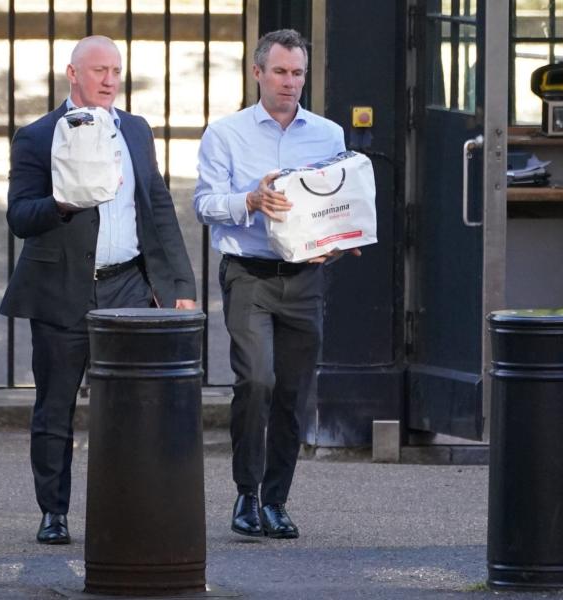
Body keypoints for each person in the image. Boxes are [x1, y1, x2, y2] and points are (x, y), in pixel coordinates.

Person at [0, 35, 197, 545]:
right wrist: (62, 205)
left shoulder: (135, 130)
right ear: (72, 74)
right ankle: (54, 512)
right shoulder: (37, 136)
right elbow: (20, 217)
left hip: (128, 286)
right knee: (55, 405)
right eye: (98, 71)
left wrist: (179, 284)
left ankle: (134, 507)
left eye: (116, 71)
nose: (110, 81)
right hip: (64, 290)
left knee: (137, 408)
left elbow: (157, 208)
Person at [194, 29, 359, 539]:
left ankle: (276, 501)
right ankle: (246, 494)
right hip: (250, 273)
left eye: (299, 73)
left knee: (293, 393)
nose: (291, 83)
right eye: (282, 72)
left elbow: (338, 200)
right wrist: (250, 200)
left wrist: (339, 238)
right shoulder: (225, 134)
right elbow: (203, 203)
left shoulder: (328, 135)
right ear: (258, 73)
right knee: (257, 380)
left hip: (307, 276)